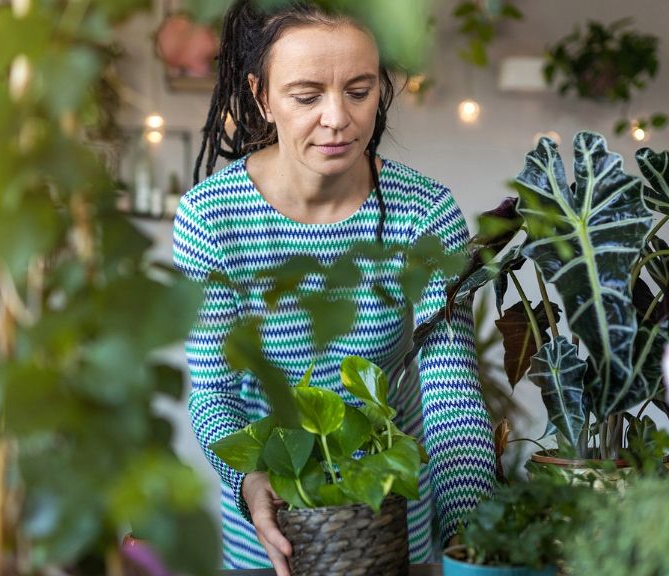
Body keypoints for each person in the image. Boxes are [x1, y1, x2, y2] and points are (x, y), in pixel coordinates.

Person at [172, 1, 495, 572]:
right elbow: (214, 394)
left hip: (392, 526)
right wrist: (250, 481)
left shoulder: (425, 213)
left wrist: (476, 542)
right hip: (273, 530)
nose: (337, 118)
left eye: (359, 90)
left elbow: (452, 400)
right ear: (261, 95)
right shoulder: (211, 218)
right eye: (306, 95)